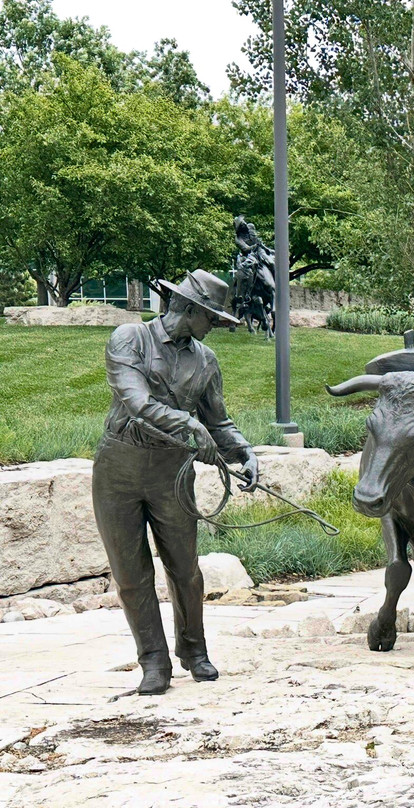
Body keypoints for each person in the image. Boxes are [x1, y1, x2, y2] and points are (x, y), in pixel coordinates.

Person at [92, 270, 259, 695]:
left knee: (185, 569)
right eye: (212, 318)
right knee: (132, 575)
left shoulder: (204, 359)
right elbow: (136, 401)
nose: (215, 327)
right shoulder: (129, 339)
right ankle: (153, 661)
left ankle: (194, 650)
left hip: (172, 472)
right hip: (119, 471)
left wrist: (243, 451)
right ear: (189, 310)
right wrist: (188, 423)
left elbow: (217, 419)